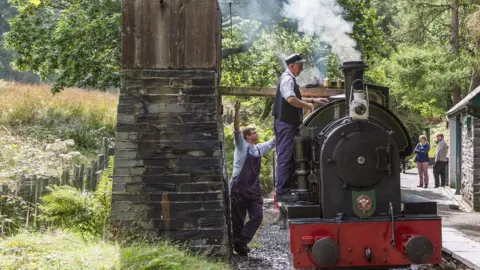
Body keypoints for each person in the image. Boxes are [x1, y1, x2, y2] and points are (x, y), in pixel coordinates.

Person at [271, 53, 328, 200]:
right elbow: (291, 99)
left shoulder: (289, 79)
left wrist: (314, 99)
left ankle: (287, 189)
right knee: (285, 156)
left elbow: (295, 97)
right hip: (286, 124)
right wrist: (308, 106)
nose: (302, 69)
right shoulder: (287, 79)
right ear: (291, 66)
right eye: (300, 66)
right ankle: (282, 192)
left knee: (289, 156)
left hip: (287, 124)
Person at [229, 100, 275, 256]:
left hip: (253, 189)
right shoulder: (241, 147)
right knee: (238, 220)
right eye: (254, 132)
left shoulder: (258, 149)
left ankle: (241, 241)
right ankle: (240, 247)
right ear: (247, 136)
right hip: (239, 188)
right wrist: (236, 111)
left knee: (257, 216)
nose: (257, 133)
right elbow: (236, 129)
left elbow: (274, 141)